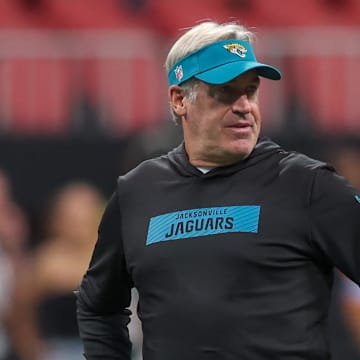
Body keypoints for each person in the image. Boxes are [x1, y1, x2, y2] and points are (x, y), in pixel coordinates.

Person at [76, 20, 360, 359]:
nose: (244, 106)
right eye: (225, 91)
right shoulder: (137, 193)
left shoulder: (309, 185)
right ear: (180, 99)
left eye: (251, 90)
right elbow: (97, 306)